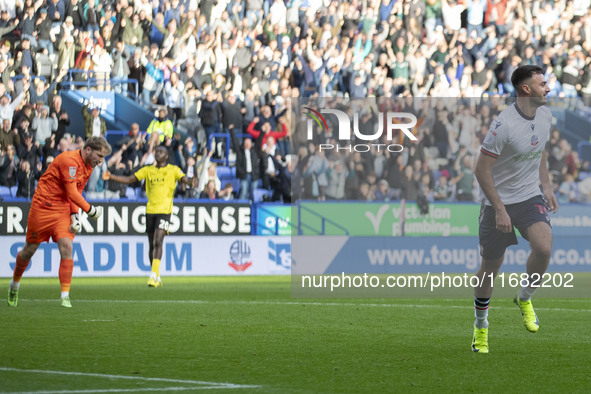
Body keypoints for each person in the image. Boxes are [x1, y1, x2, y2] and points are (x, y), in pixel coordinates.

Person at [471, 65, 558, 354]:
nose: (547, 88)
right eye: (542, 84)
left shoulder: (544, 115)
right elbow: (481, 169)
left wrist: (546, 186)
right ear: (526, 89)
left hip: (529, 197)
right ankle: (481, 327)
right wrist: (499, 209)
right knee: (490, 269)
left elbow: (540, 149)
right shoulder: (504, 124)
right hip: (498, 203)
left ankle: (524, 297)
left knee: (544, 248)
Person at [7, 136, 111, 308]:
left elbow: (76, 191)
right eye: (99, 156)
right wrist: (90, 210)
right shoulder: (69, 161)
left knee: (67, 246)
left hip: (62, 208)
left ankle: (65, 297)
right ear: (88, 150)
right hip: (43, 207)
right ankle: (14, 284)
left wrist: (74, 215)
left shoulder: (89, 166)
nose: (101, 161)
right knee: (29, 250)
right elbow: (72, 192)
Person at [102, 146, 196, 287]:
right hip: (150, 210)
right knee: (151, 244)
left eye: (161, 152)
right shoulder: (148, 170)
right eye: (156, 151)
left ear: (166, 156)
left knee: (158, 240)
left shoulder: (173, 170)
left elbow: (185, 179)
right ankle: (156, 274)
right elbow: (130, 179)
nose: (158, 153)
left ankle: (152, 276)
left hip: (165, 211)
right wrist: (112, 176)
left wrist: (191, 181)